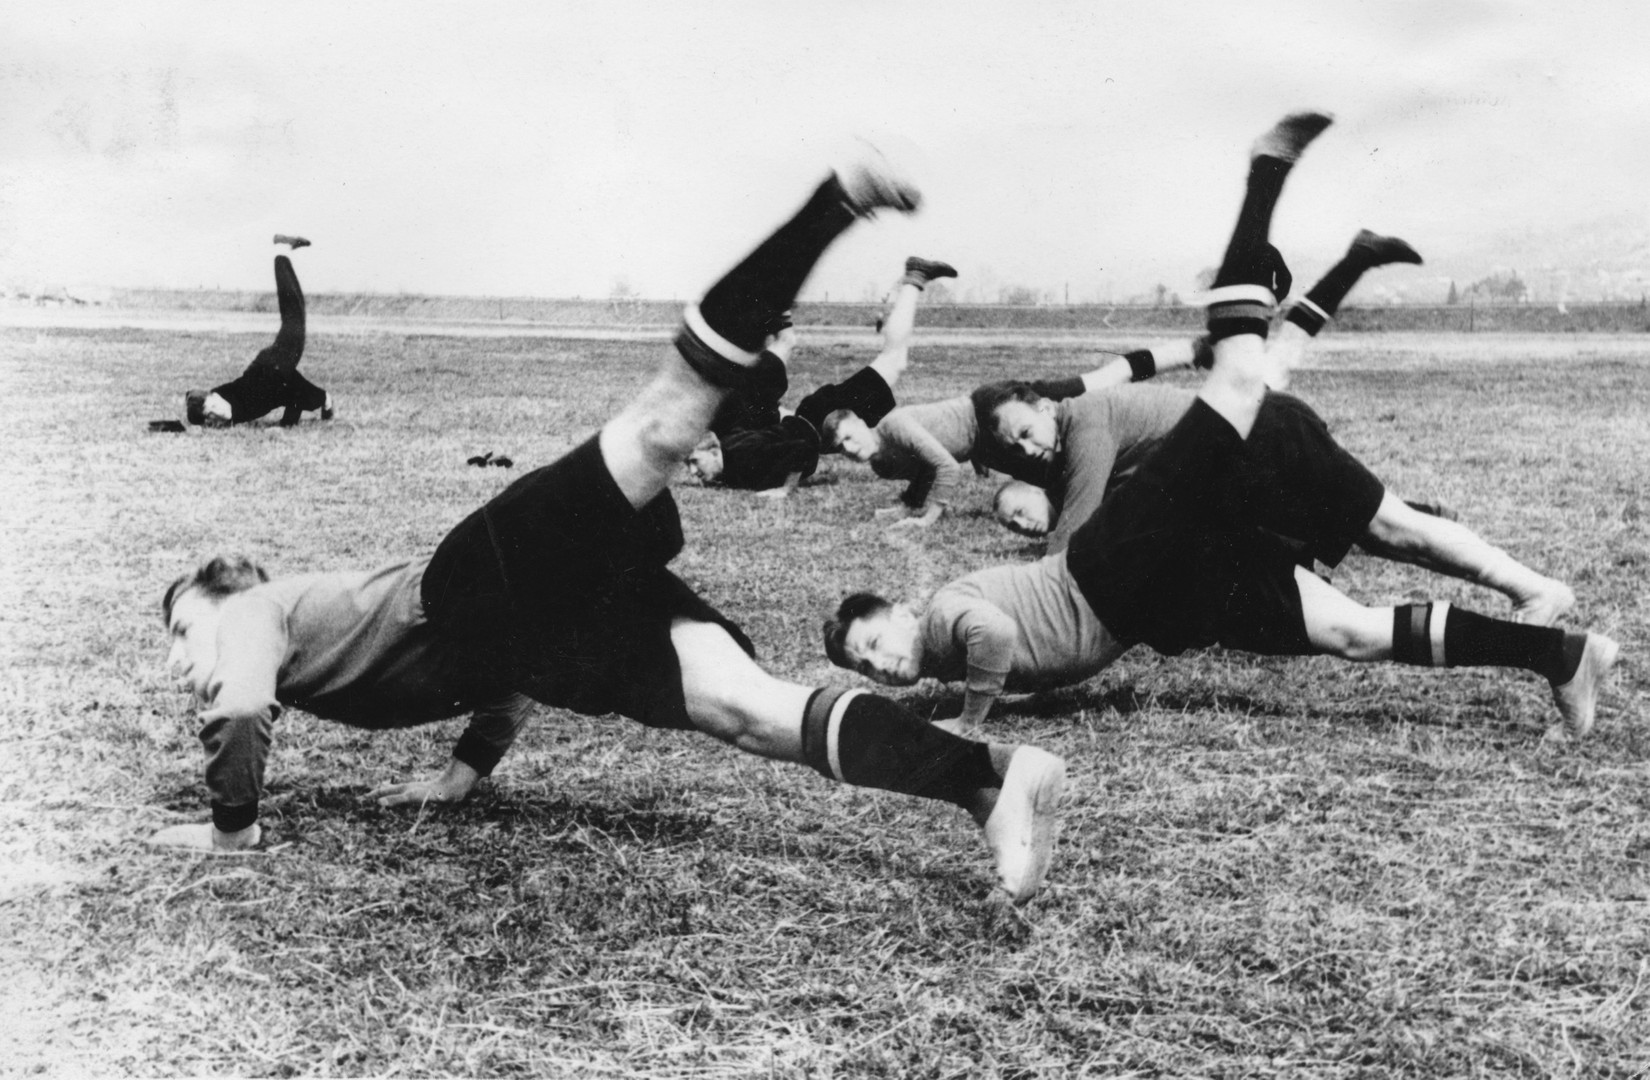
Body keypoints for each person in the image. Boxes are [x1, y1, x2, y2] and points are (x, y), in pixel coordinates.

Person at [152, 146, 1068, 906]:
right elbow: (494, 673)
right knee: (752, 714)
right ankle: (988, 778)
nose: (181, 659)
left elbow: (238, 707)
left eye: (183, 630)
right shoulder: (310, 640)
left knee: (669, 420)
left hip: (481, 577)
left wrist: (235, 829)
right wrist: (466, 771)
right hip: (536, 629)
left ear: (224, 597)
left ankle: (832, 205)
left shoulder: (254, 612)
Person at [823, 112, 1617, 742]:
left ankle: (1266, 172)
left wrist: (970, 720)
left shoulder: (949, 619)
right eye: (868, 665)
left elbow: (998, 635)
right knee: (1354, 633)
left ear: (899, 610)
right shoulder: (943, 651)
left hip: (1121, 562)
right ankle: (1559, 654)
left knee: (1247, 382)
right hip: (1169, 593)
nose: (882, 664)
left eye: (874, 643)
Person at [973, 227, 1426, 549]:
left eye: (1025, 435)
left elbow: (1121, 372)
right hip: (1210, 443)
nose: (1027, 450)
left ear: (1046, 408)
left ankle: (1325, 260)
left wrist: (1195, 347)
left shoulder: (1071, 422)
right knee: (1287, 365)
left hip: (1219, 423)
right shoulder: (1046, 450)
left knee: (1283, 372)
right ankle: (1354, 260)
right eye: (1015, 447)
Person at [833, 339, 1204, 529]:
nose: (849, 449)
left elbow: (944, 462)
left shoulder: (896, 425)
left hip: (998, 409)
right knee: (1068, 467)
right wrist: (911, 501)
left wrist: (930, 514)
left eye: (849, 436)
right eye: (840, 446)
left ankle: (1190, 350)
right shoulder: (883, 461)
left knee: (1106, 380)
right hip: (995, 440)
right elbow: (925, 465)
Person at [683, 255, 955, 496]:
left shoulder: (733, 422)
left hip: (824, 415)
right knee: (787, 342)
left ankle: (914, 278)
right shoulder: (731, 421)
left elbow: (790, 440)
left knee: (894, 361)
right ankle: (778, 288)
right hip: (814, 417)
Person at [186, 236, 333, 427]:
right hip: (268, 369)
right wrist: (291, 421)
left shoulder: (226, 407)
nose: (214, 415)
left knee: (294, 314)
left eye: (210, 410)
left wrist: (296, 418)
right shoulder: (224, 406)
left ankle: (281, 252)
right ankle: (283, 254)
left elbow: (291, 396)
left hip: (273, 367)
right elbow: (292, 398)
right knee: (296, 313)